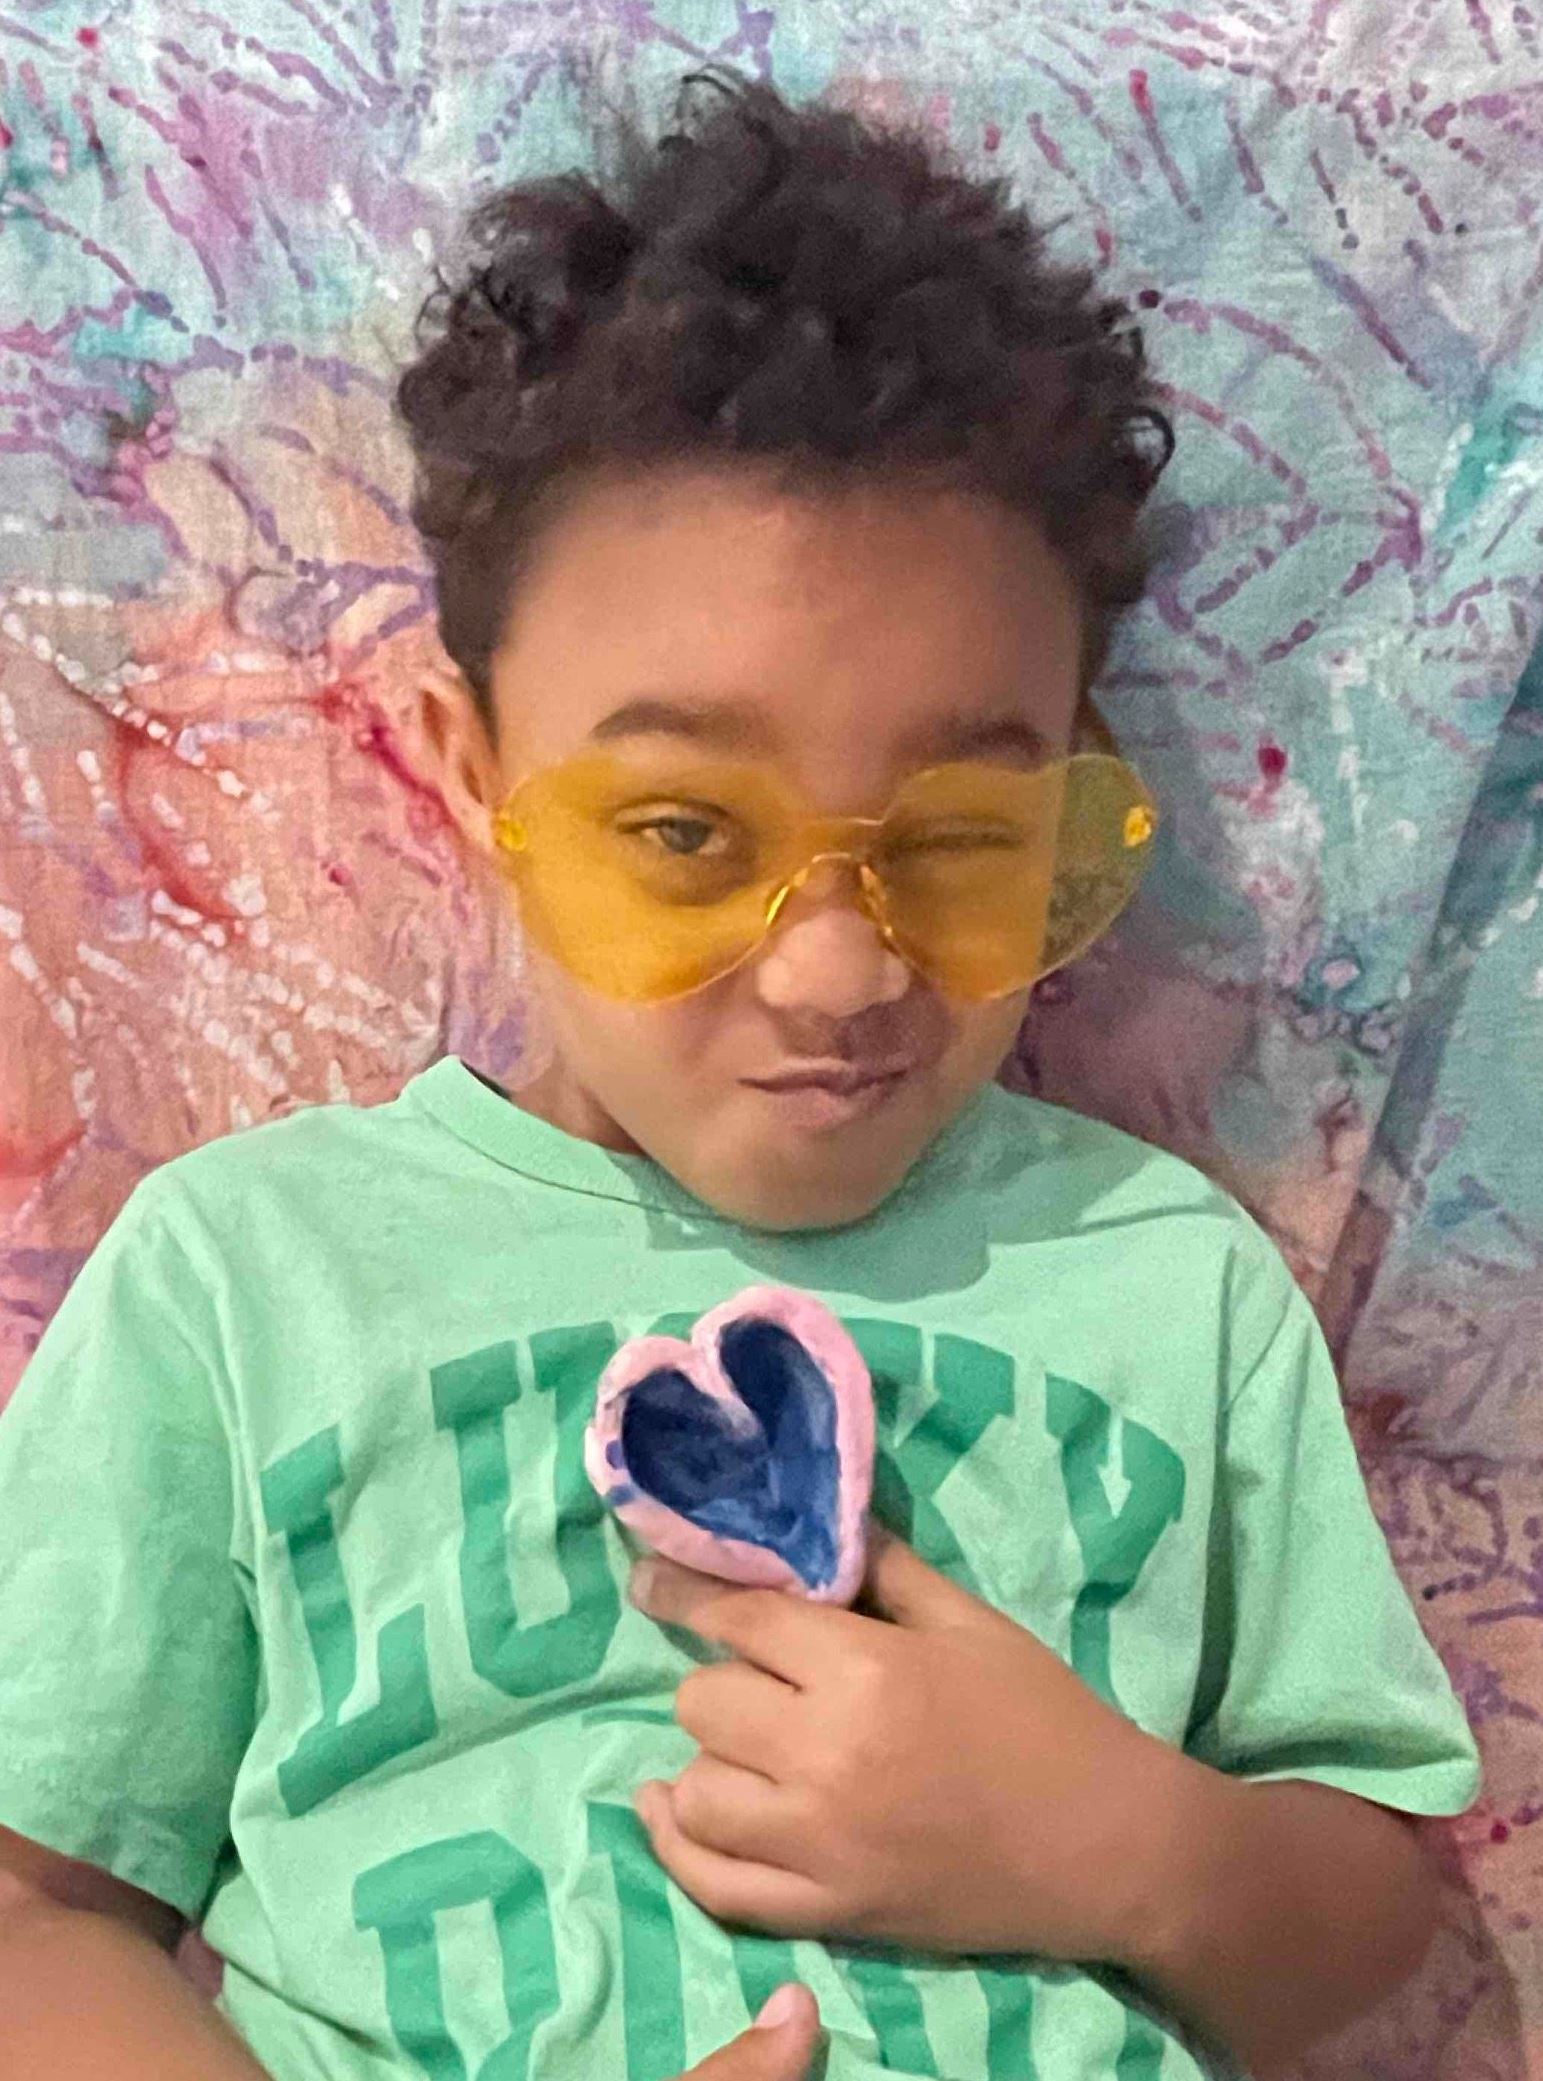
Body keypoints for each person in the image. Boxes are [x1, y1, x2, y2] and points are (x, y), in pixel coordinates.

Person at [0, 66, 1480, 2081]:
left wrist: (1130, 1852)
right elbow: (35, 1912)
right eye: (687, 833)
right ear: (469, 768)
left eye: (965, 840)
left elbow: (1365, 1919)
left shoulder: (1171, 1279)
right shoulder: (246, 1279)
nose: (840, 972)